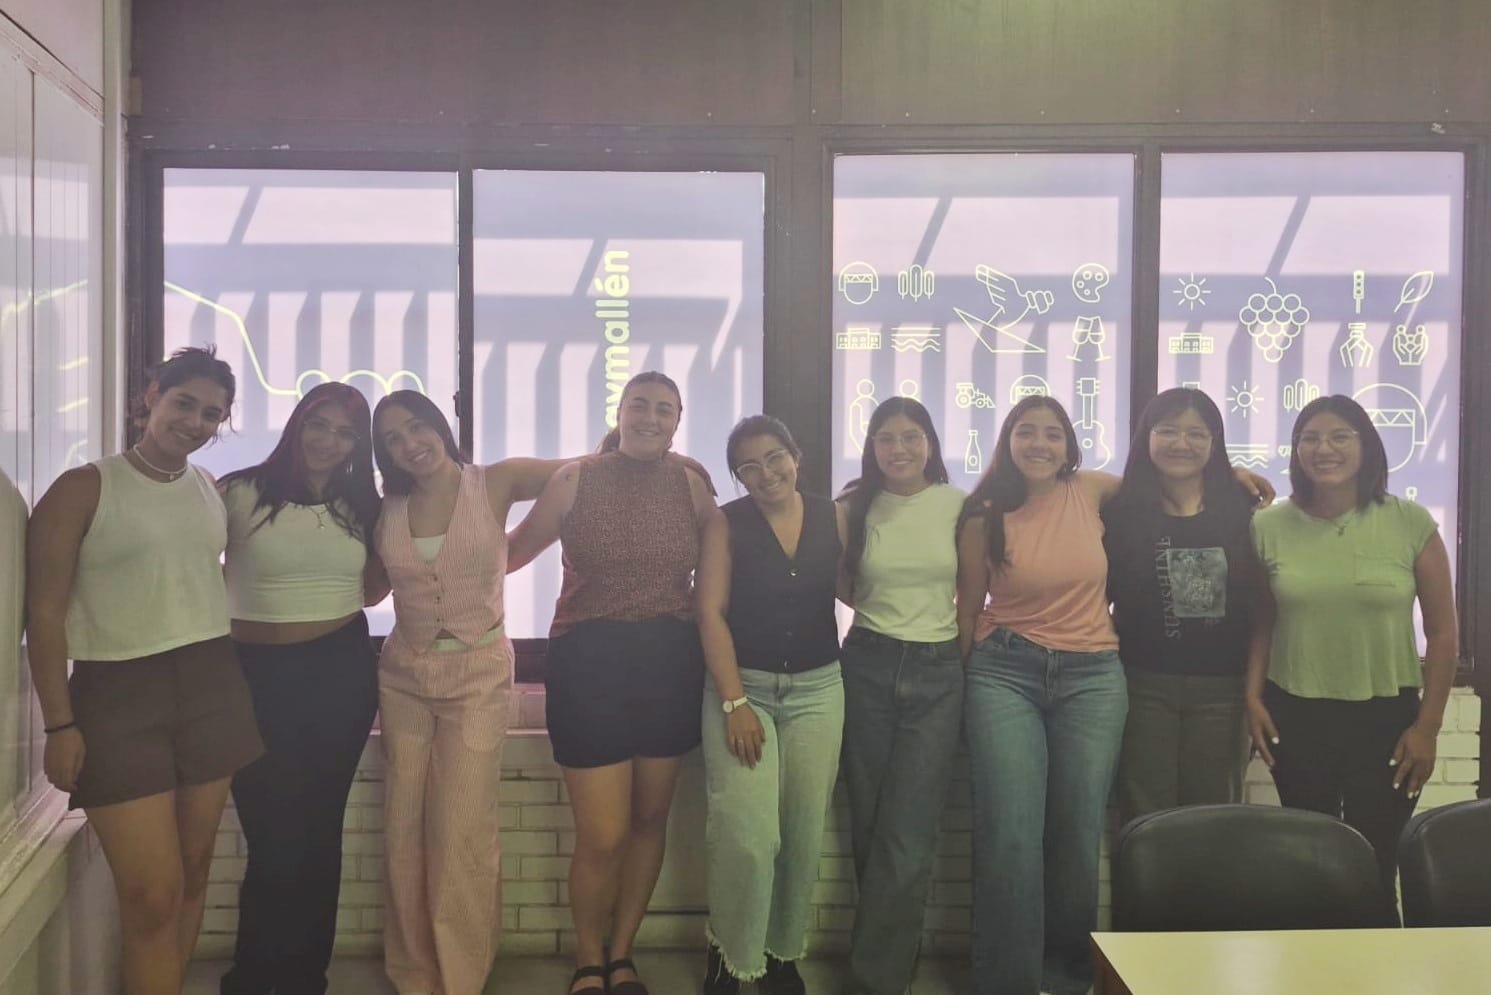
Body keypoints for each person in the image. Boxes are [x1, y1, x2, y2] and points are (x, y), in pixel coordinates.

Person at [26, 346, 264, 995]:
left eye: (211, 414)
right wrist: (59, 724)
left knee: (193, 869)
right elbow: (43, 616)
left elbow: (191, 578)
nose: (195, 421)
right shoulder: (84, 487)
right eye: (184, 402)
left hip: (212, 684)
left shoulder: (207, 488)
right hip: (116, 696)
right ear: (151, 395)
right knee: (152, 893)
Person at [508, 371, 715, 995]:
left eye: (664, 409)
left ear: (677, 422)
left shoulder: (692, 483)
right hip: (589, 664)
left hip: (669, 662)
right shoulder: (577, 478)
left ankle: (622, 956)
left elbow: (722, 572)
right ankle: (587, 961)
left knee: (650, 820)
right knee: (602, 835)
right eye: (639, 405)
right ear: (620, 412)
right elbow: (509, 554)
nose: (650, 417)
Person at [371, 389, 569, 995]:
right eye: (393, 439)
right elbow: (368, 589)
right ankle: (413, 973)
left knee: (460, 829)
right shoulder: (386, 507)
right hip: (403, 675)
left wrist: (660, 455)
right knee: (402, 827)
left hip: (478, 674)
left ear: (439, 425)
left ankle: (459, 977)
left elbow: (580, 472)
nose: (410, 444)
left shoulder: (495, 482)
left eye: (417, 427)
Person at [1246, 395, 1457, 919]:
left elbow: (1443, 633)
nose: (1325, 449)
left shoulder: (1410, 522)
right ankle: (1311, 963)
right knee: (1310, 862)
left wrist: (1428, 728)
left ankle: (1377, 962)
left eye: (1340, 436)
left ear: (1367, 447)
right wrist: (1252, 697)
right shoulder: (1269, 526)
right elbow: (1263, 622)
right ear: (1296, 451)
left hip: (1387, 718)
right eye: (1310, 439)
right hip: (1295, 713)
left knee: (1374, 862)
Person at [217, 382, 387, 995]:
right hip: (252, 675)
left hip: (338, 671)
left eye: (345, 433)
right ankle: (253, 974)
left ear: (357, 445)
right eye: (320, 424)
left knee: (318, 830)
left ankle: (303, 977)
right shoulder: (237, 491)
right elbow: (191, 570)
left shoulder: (362, 506)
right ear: (297, 424)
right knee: (270, 833)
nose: (329, 441)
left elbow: (374, 589)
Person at [955, 395, 1128, 995]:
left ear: (1069, 446)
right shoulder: (983, 514)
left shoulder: (1092, 490)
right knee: (1010, 831)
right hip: (1004, 674)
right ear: (1008, 441)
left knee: (1078, 833)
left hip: (1093, 678)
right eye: (1027, 432)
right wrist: (956, 689)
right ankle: (1008, 981)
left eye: (1053, 434)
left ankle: (1068, 978)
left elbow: (1166, 483)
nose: (1040, 444)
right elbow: (967, 607)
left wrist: (1233, 475)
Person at [694, 415, 847, 995]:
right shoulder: (726, 523)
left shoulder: (834, 516)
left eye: (775, 457)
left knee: (803, 835)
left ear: (796, 456)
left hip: (819, 690)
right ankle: (730, 954)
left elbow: (858, 588)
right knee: (749, 836)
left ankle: (782, 954)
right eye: (749, 467)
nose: (766, 473)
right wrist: (734, 702)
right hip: (745, 691)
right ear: (739, 477)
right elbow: (709, 613)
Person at [836, 396, 966, 995]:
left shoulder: (958, 505)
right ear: (872, 447)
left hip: (938, 670)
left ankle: (878, 980)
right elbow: (840, 581)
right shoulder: (852, 507)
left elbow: (973, 585)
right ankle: (885, 966)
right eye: (886, 438)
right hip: (867, 663)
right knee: (868, 824)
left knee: (908, 832)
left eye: (911, 436)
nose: (900, 448)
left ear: (930, 443)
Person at [1101, 388, 1262, 824]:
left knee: (1212, 818)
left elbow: (1262, 609)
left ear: (1214, 442)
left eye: (1196, 433)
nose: (1181, 443)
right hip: (1140, 684)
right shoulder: (1119, 511)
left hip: (1223, 690)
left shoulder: (1243, 509)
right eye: (1168, 430)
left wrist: (1254, 690)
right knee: (1143, 816)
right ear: (1147, 437)